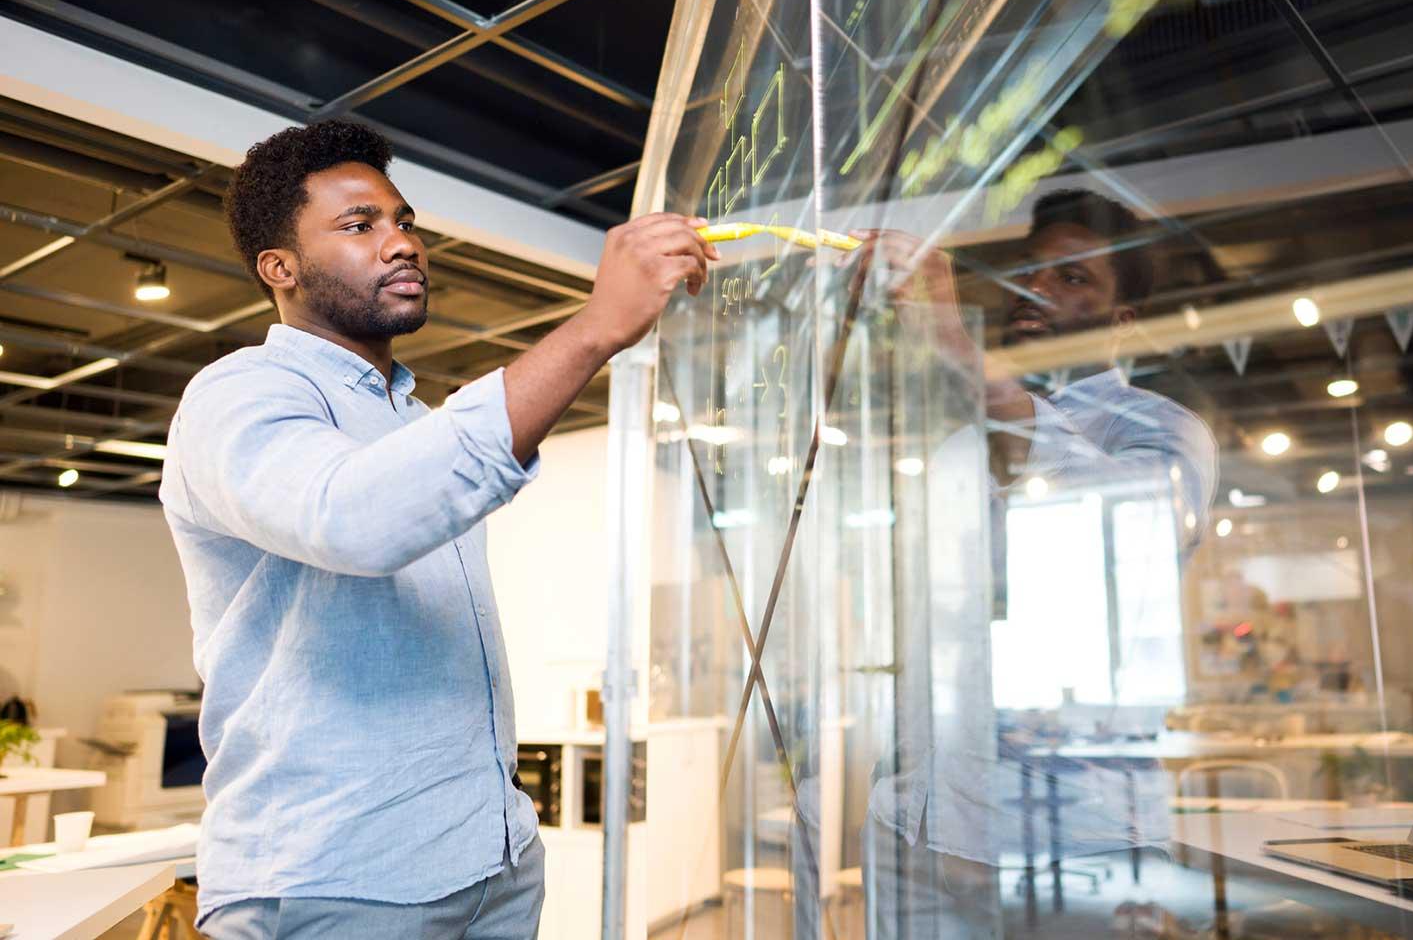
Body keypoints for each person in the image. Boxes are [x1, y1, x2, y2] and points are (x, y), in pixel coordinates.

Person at [159, 119, 717, 939]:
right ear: (279, 268)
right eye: (360, 225)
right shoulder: (238, 393)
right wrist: (596, 327)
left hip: (490, 865)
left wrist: (511, 835)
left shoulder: (411, 420)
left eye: (405, 220)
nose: (402, 243)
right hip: (336, 881)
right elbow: (352, 518)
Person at [847, 190, 1218, 937]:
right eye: (1031, 273)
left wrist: (956, 344)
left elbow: (1105, 533)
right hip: (925, 824)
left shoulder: (1158, 431)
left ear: (1121, 321)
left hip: (1074, 838)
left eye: (1072, 278)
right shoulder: (956, 445)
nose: (1035, 290)